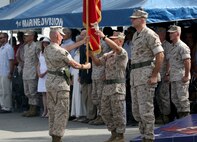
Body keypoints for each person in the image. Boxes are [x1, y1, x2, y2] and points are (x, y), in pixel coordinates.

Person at [44, 26, 91, 142]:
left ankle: (53, 135)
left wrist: (81, 42)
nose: (63, 37)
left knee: (53, 110)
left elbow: (66, 48)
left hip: (50, 83)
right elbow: (74, 64)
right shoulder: (61, 51)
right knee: (62, 111)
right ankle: (58, 137)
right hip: (60, 84)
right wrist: (86, 66)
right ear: (56, 36)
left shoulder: (48, 49)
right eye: (61, 35)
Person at [130, 9, 164, 142]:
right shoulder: (135, 35)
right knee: (137, 111)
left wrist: (154, 75)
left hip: (146, 76)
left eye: (134, 18)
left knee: (146, 110)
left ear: (142, 19)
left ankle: (149, 138)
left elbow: (160, 55)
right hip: (135, 77)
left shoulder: (150, 34)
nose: (131, 20)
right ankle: (143, 136)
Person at [90, 31, 128, 142]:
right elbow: (98, 63)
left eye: (114, 39)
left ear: (120, 41)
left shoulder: (122, 53)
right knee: (105, 111)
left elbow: (117, 49)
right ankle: (113, 133)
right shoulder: (108, 54)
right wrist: (92, 54)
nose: (111, 40)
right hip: (107, 87)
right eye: (111, 38)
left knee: (118, 112)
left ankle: (120, 136)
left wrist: (104, 37)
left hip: (117, 86)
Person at [167, 25, 191, 118]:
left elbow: (187, 61)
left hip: (181, 77)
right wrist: (168, 73)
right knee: (174, 98)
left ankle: (186, 118)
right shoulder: (172, 47)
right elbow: (170, 61)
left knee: (183, 99)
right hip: (174, 77)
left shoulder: (182, 46)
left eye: (172, 33)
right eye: (169, 33)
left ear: (177, 33)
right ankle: (181, 117)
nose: (170, 34)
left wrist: (186, 75)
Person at [155, 27, 171, 124]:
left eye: (157, 33)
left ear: (162, 34)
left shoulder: (167, 46)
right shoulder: (157, 44)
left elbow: (169, 60)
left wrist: (167, 73)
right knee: (158, 95)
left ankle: (166, 116)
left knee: (164, 95)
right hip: (157, 75)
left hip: (164, 74)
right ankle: (161, 114)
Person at [22, 30, 39, 117]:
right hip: (26, 71)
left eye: (27, 36)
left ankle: (34, 109)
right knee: (27, 91)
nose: (25, 37)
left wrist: (37, 71)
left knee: (33, 91)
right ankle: (30, 108)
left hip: (33, 71)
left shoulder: (36, 46)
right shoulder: (25, 47)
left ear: (32, 36)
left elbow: (38, 60)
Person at [0, 32, 14, 113]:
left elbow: (11, 60)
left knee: (6, 90)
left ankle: (7, 107)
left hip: (6, 72)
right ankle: (2, 105)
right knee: (1, 90)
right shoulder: (1, 48)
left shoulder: (9, 48)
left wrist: (10, 72)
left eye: (2, 37)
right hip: (1, 72)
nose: (1, 39)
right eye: (0, 38)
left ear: (6, 38)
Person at [37, 37, 50, 117]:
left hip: (47, 73)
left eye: (46, 43)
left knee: (48, 93)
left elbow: (50, 65)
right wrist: (39, 73)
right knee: (43, 94)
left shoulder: (50, 52)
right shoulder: (41, 52)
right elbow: (38, 64)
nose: (45, 44)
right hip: (41, 74)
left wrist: (44, 73)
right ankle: (45, 110)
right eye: (43, 42)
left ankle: (49, 111)